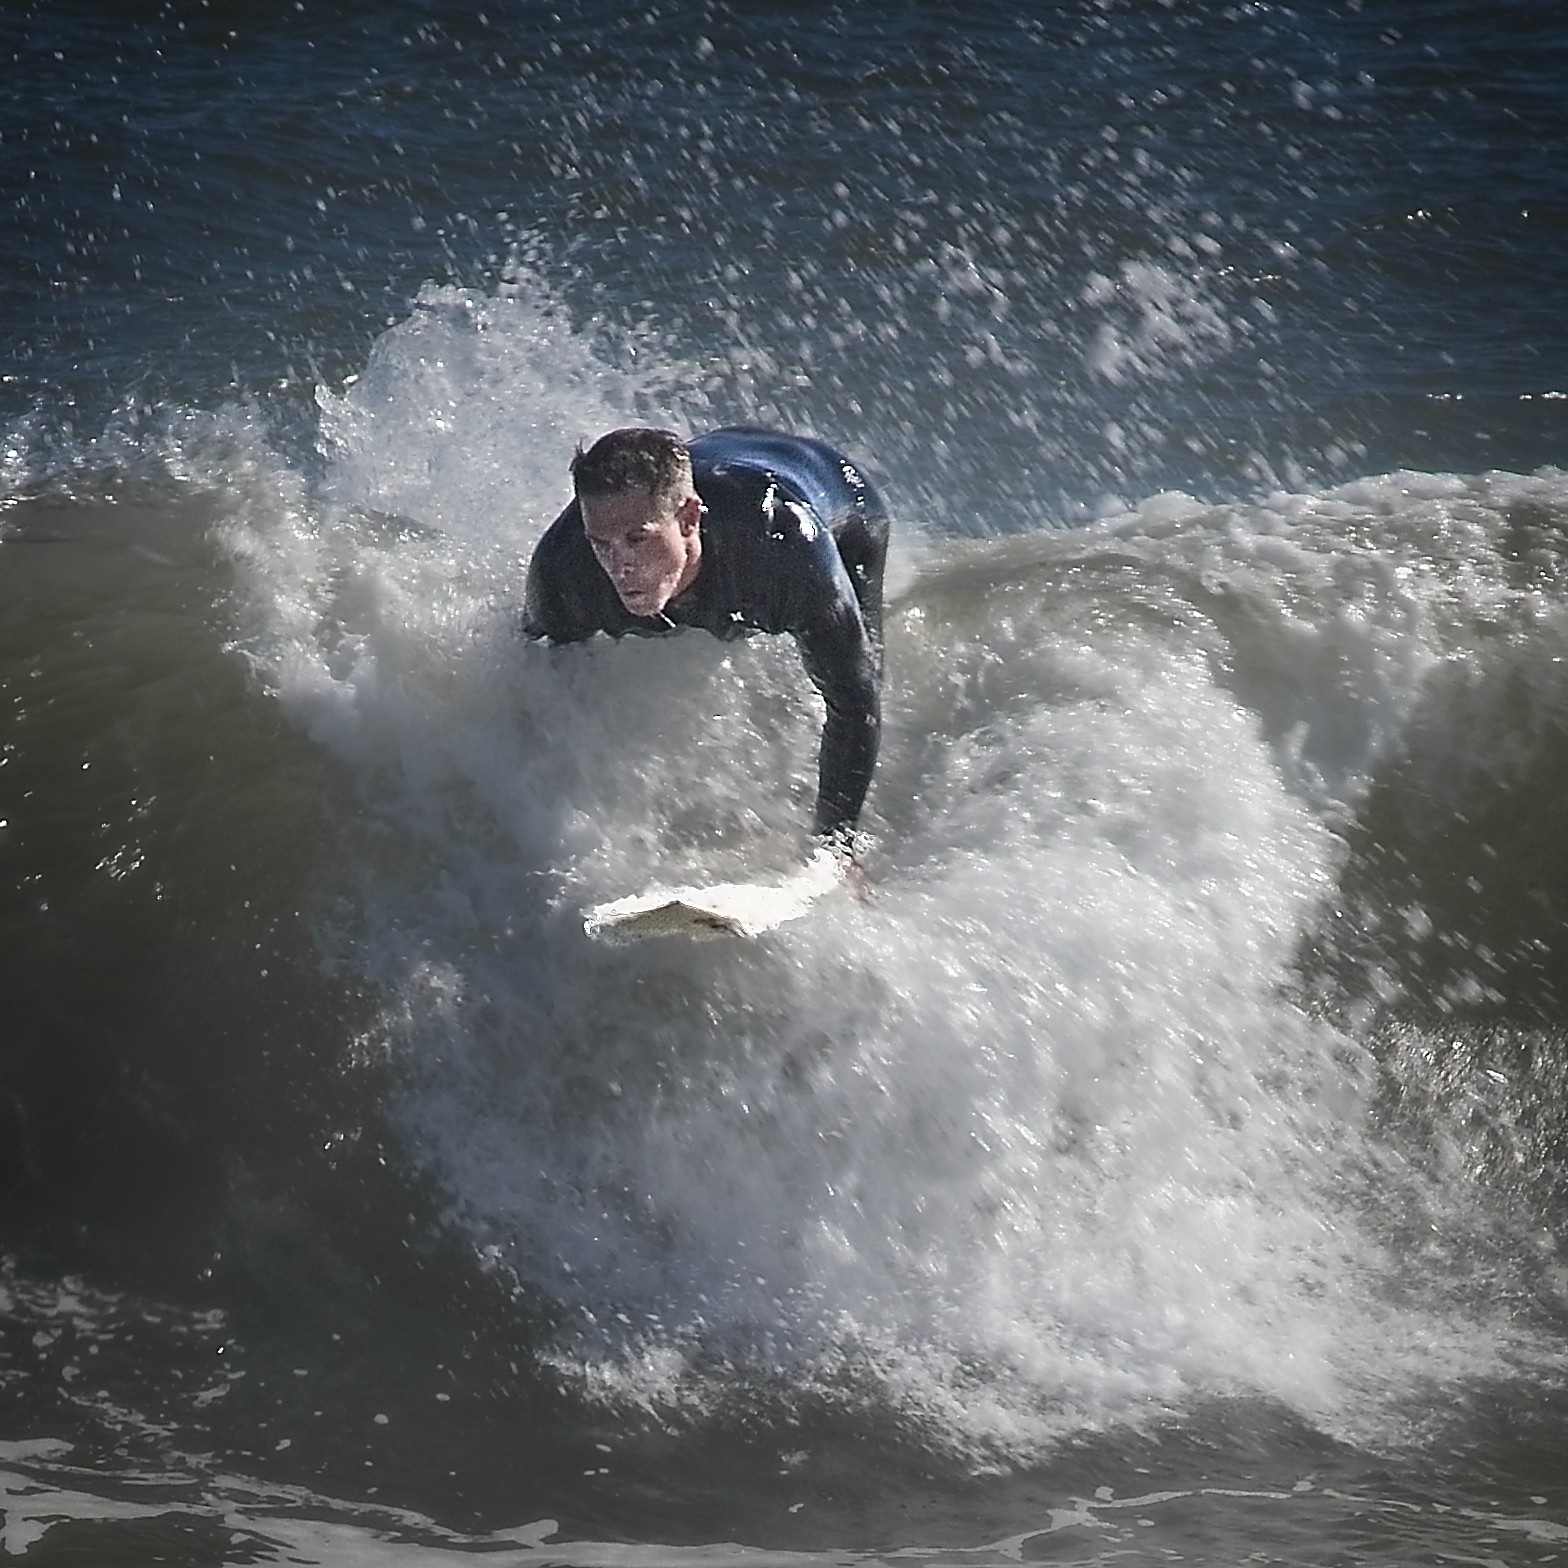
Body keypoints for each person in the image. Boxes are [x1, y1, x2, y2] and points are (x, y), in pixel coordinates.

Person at [522, 424, 890, 858]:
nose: (618, 567)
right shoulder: (563, 572)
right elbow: (537, 681)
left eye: (637, 540)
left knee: (856, 675)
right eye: (601, 543)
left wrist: (835, 847)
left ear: (689, 519)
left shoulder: (785, 554)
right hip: (722, 464)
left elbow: (854, 706)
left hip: (844, 502)